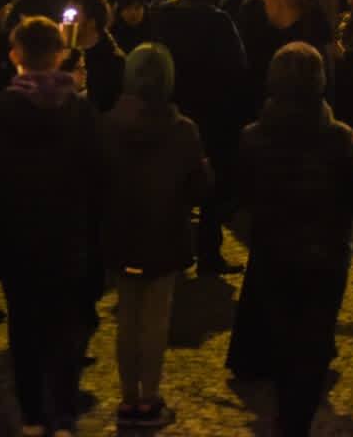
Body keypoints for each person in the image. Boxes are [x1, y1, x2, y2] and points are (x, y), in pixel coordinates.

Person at [0, 17, 104, 436]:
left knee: (23, 328)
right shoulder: (81, 112)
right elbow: (100, 176)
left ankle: (32, 415)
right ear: (60, 55)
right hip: (69, 238)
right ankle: (63, 410)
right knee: (65, 327)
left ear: (14, 56)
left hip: (14, 241)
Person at [226, 43, 353, 437]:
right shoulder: (341, 139)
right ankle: (295, 421)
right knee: (312, 344)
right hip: (325, 256)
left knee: (283, 339)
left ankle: (288, 416)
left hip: (273, 253)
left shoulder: (253, 137)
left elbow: (237, 195)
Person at [102, 43, 213, 428]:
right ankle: (149, 398)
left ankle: (128, 396)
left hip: (120, 235)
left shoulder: (108, 126)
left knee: (127, 319)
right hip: (165, 235)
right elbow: (199, 188)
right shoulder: (183, 131)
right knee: (154, 321)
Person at [149, 0, 249, 274]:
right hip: (211, 116)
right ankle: (208, 253)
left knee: (171, 185)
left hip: (171, 108)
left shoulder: (162, 15)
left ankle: (168, 250)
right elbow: (237, 69)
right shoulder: (218, 21)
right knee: (210, 190)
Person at [67, 0, 124, 113]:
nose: (68, 23)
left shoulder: (111, 61)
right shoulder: (66, 55)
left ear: (91, 23)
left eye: (74, 18)